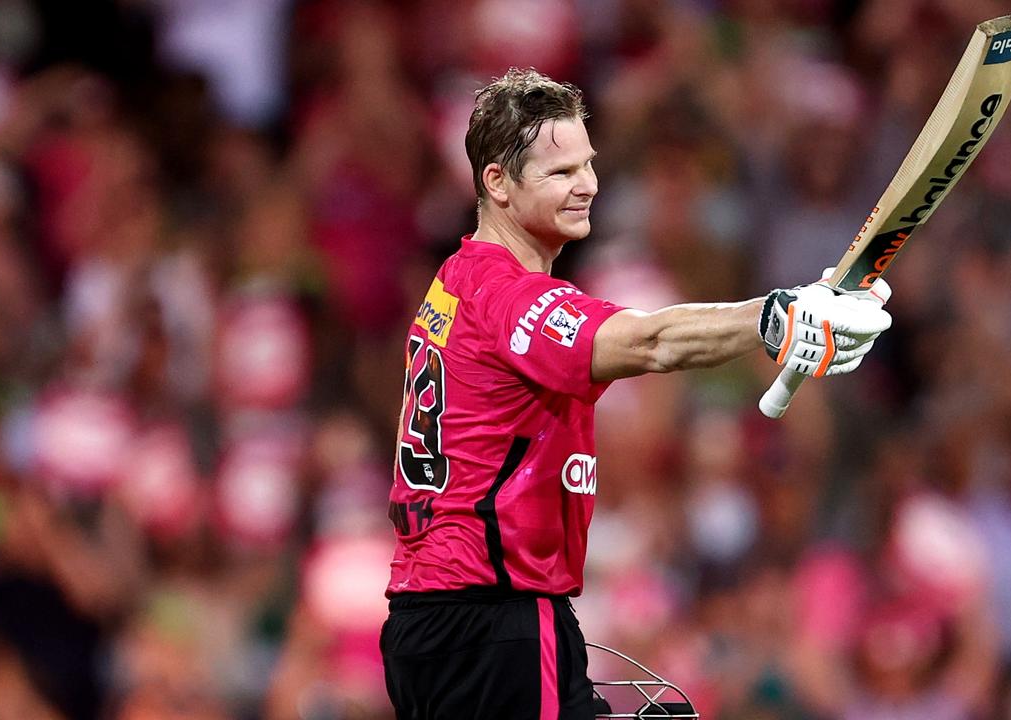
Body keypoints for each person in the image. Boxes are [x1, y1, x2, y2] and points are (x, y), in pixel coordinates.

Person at [379, 67, 892, 720]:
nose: (587, 185)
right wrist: (777, 317)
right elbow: (649, 342)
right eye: (559, 171)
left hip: (434, 621)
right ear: (498, 183)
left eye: (587, 166)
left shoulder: (454, 283)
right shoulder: (509, 297)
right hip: (494, 615)